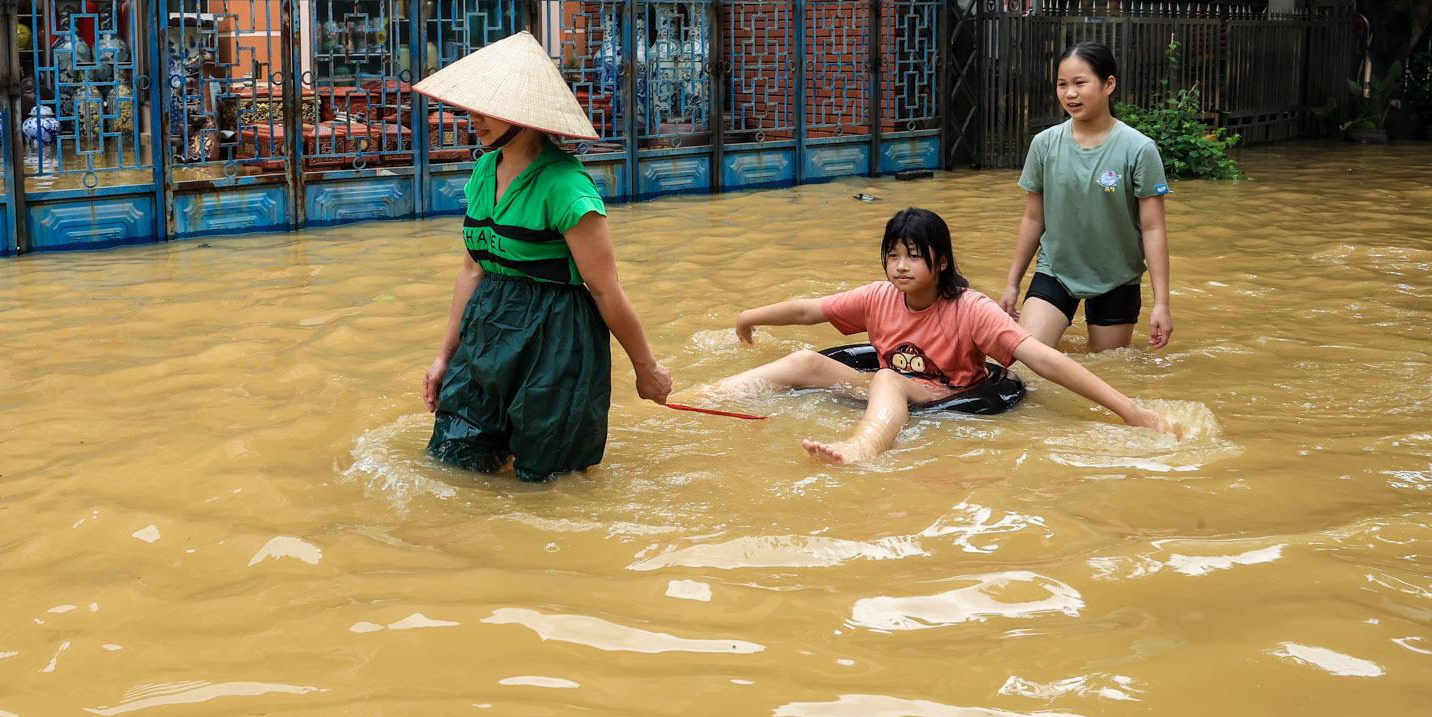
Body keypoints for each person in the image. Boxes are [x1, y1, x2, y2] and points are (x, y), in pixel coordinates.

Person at [709, 208, 1171, 464]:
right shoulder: (878, 296)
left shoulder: (970, 308)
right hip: (892, 387)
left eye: (913, 256)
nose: (901, 267)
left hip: (945, 395)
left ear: (942, 262)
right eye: (893, 256)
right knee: (807, 360)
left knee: (888, 378)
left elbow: (1041, 357)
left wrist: (1130, 410)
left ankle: (862, 447)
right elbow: (811, 308)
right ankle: (707, 396)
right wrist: (750, 316)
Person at [414, 31, 672, 482]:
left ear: (525, 116)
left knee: (547, 483)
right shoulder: (483, 169)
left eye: (489, 108)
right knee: (455, 463)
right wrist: (444, 357)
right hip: (488, 327)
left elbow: (605, 288)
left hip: (556, 339)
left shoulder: (566, 186)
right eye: (474, 105)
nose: (474, 118)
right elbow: (472, 268)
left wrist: (646, 369)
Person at [1000, 42, 1173, 352]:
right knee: (1028, 357)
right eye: (1062, 85)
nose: (1070, 94)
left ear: (1109, 84)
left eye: (1080, 83)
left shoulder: (1139, 149)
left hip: (1116, 276)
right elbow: (1033, 219)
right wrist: (1013, 282)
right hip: (1056, 268)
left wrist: (1162, 303)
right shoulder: (1044, 144)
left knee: (1109, 369)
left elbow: (1153, 229)